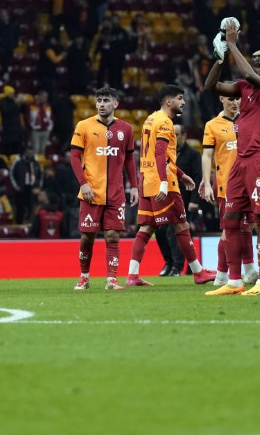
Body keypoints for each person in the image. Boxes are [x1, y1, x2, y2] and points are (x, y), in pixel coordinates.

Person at [204, 20, 260, 296]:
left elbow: (249, 76)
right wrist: (220, 57)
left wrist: (234, 44)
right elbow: (210, 86)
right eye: (257, 65)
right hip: (240, 160)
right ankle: (235, 280)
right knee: (231, 218)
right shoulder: (243, 89)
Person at [127, 84, 216, 286]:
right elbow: (160, 153)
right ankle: (198, 272)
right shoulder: (166, 123)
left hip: (147, 182)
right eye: (180, 98)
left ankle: (132, 275)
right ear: (169, 101)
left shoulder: (150, 119)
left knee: (145, 228)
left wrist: (182, 174)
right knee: (182, 225)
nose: (183, 102)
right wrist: (165, 183)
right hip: (162, 183)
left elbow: (159, 156)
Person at [70, 86, 138, 290]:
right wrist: (83, 184)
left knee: (113, 236)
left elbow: (129, 161)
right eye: (99, 100)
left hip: (116, 193)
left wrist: (134, 186)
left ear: (115, 103)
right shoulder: (83, 126)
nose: (101, 104)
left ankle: (111, 279)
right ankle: (84, 277)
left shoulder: (126, 129)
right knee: (87, 237)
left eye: (106, 100)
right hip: (91, 191)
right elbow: (74, 157)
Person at [201, 88, 258, 285]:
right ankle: (221, 274)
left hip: (250, 183)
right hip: (227, 184)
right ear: (222, 98)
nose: (235, 103)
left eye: (238, 99)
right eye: (231, 99)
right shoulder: (212, 125)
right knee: (229, 229)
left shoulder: (248, 119)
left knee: (248, 227)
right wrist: (207, 182)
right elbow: (207, 155)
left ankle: (250, 270)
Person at [9, 145, 43, 224]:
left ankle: (31, 227)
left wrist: (38, 187)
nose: (30, 154)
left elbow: (40, 175)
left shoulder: (36, 163)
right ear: (25, 152)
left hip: (33, 189)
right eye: (28, 152)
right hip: (21, 189)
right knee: (20, 209)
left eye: (32, 152)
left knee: (32, 210)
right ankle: (19, 227)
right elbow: (11, 174)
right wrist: (16, 187)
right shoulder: (18, 162)